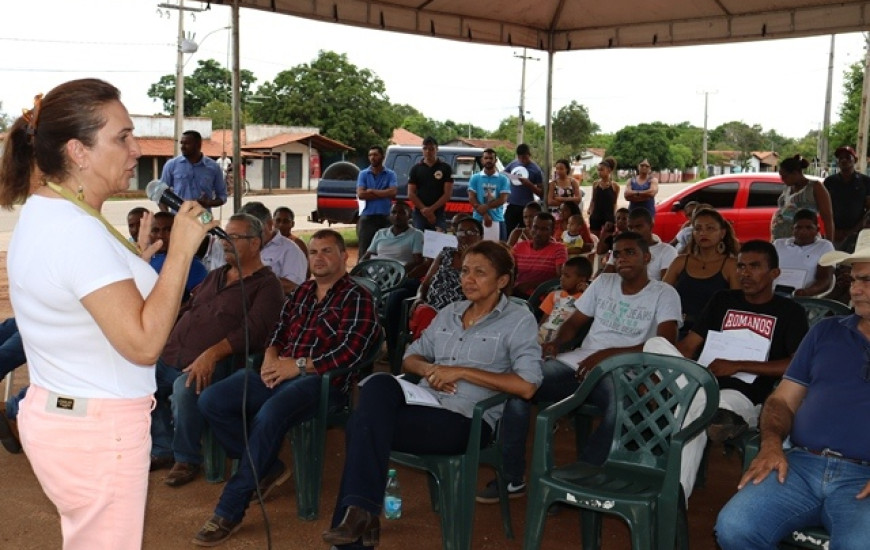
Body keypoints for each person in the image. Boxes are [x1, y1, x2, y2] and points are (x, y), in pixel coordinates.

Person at [0, 78, 216, 549]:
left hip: (68, 419)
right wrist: (180, 253)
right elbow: (142, 346)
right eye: (122, 137)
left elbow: (82, 297)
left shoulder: (51, 212)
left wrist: (133, 267)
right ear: (78, 151)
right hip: (98, 436)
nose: (137, 150)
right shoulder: (78, 232)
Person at [322, 240, 543, 549]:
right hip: (423, 402)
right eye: (465, 271)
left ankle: (360, 522)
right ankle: (362, 513)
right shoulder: (449, 313)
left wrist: (462, 372)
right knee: (375, 386)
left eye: (480, 272)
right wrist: (430, 372)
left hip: (466, 420)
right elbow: (411, 358)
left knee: (363, 425)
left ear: (502, 280)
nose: (468, 279)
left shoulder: (519, 320)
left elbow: (528, 385)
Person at [192, 229, 379, 546]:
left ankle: (229, 509)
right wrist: (270, 355)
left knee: (270, 413)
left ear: (345, 256)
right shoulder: (303, 292)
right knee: (212, 400)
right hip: (279, 371)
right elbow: (278, 331)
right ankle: (267, 465)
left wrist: (299, 365)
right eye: (313, 252)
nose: (318, 258)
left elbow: (352, 352)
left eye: (327, 251)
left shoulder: (357, 297)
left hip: (322, 384)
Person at [478, 232, 681, 502]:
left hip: (628, 369)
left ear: (647, 257)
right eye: (617, 253)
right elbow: (574, 323)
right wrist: (555, 342)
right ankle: (511, 477)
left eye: (630, 252)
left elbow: (664, 341)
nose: (621, 258)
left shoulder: (664, 293)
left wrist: (610, 354)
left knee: (619, 410)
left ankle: (580, 481)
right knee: (520, 388)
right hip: (581, 362)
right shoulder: (603, 282)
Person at [715, 233, 870, 549]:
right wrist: (771, 445)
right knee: (734, 527)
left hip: (862, 480)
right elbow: (782, 400)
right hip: (799, 465)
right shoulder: (826, 331)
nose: (854, 289)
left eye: (866, 280)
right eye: (853, 279)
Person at [149, 213, 285, 487]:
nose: (225, 242)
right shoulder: (216, 276)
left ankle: (187, 457)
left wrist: (211, 354)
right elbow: (189, 308)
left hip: (219, 363)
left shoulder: (267, 286)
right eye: (224, 236)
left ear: (256, 243)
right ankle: (162, 447)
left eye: (234, 237)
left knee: (184, 388)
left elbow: (255, 331)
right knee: (137, 381)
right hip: (172, 353)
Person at [675, 240, 809, 498]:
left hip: (745, 393)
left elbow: (797, 364)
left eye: (755, 266)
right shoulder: (722, 299)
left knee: (695, 415)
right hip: (703, 381)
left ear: (774, 274)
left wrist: (738, 366)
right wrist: (667, 362)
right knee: (655, 347)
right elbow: (690, 345)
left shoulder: (790, 311)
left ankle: (675, 494)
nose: (745, 273)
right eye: (741, 266)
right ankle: (702, 412)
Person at [663, 207, 741, 337]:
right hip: (678, 327)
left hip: (714, 331)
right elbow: (662, 294)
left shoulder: (731, 265)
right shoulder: (680, 262)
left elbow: (736, 307)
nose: (703, 233)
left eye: (710, 228)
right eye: (698, 229)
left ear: (722, 233)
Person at [410, 216, 484, 339]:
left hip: (461, 312)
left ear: (480, 237)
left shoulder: (484, 260)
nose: (465, 235)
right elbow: (425, 283)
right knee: (424, 313)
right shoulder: (446, 252)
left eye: (471, 232)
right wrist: (419, 297)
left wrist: (468, 257)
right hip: (432, 307)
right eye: (460, 232)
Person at [239, 201, 308, 294]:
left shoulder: (290, 251)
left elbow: (293, 286)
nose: (251, 236)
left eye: (254, 230)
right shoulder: (242, 246)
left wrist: (255, 280)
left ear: (269, 224)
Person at [770, 154, 834, 241]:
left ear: (795, 173)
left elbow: (828, 219)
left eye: (784, 176)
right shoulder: (788, 187)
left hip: (804, 240)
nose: (782, 179)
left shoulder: (815, 187)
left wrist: (829, 244)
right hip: (781, 240)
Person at [148, 211, 208, 302]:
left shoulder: (189, 264)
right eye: (155, 230)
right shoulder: (144, 259)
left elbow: (205, 301)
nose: (160, 235)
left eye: (168, 230)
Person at [603, 208, 677, 281]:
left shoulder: (667, 251)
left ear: (651, 225)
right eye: (630, 227)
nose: (634, 231)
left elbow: (666, 285)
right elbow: (605, 277)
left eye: (638, 227)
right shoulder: (621, 248)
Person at [773, 208, 835, 296]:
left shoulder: (824, 246)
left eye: (809, 228)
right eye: (798, 227)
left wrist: (807, 292)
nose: (803, 231)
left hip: (804, 297)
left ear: (817, 230)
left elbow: (825, 279)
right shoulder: (779, 244)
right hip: (773, 293)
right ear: (792, 229)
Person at [160, 130, 227, 211]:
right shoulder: (171, 165)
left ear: (198, 145)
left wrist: (209, 203)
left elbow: (222, 196)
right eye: (182, 143)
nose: (182, 147)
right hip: (179, 218)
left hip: (203, 219)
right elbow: (160, 194)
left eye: (187, 144)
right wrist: (168, 217)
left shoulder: (213, 167)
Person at [511, 212, 569, 299]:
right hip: (517, 294)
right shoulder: (520, 246)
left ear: (552, 232)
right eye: (535, 227)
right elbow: (508, 268)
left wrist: (532, 284)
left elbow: (560, 278)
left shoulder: (559, 249)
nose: (538, 232)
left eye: (544, 229)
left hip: (543, 298)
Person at [537, 257, 592, 345]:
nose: (562, 278)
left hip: (564, 342)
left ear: (582, 280)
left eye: (567, 276)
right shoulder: (554, 295)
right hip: (542, 336)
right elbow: (543, 322)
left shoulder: (585, 298)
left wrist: (588, 293)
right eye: (562, 274)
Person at [824, 145, 870, 248]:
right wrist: (833, 230)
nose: (844, 160)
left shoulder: (865, 181)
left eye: (848, 157)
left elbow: (868, 210)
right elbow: (823, 208)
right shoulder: (830, 182)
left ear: (855, 160)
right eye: (840, 158)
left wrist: (852, 231)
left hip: (857, 234)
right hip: (833, 234)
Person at [356, 145, 398, 255]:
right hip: (368, 217)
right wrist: (384, 193)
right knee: (364, 250)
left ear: (382, 157)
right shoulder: (363, 174)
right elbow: (361, 194)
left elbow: (393, 192)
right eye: (370, 155)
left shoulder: (390, 174)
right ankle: (360, 272)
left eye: (375, 155)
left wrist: (371, 191)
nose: (372, 157)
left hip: (386, 217)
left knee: (386, 249)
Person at [407, 136, 453, 231]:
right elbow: (411, 193)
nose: (428, 151)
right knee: (419, 240)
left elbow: (447, 194)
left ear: (437, 149)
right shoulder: (415, 169)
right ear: (422, 150)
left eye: (431, 149)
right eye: (425, 148)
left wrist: (431, 210)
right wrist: (425, 210)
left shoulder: (445, 168)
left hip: (439, 212)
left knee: (439, 241)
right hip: (420, 212)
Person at [467, 147, 510, 240]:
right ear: (482, 160)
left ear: (496, 160)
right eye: (486, 158)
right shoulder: (475, 178)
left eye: (491, 158)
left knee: (498, 250)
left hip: (497, 219)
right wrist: (485, 214)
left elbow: (503, 199)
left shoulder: (503, 179)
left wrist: (486, 207)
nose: (488, 160)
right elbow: (471, 198)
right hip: (478, 219)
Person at [503, 144, 545, 235]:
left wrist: (529, 184)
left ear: (529, 155)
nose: (523, 160)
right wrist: (511, 177)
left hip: (526, 207)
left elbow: (541, 193)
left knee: (526, 232)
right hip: (512, 204)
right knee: (507, 231)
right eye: (520, 158)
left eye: (525, 158)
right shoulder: (514, 164)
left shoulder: (536, 170)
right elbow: (503, 173)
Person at [587, 156, 620, 235]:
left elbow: (614, 202)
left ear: (608, 170)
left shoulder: (615, 186)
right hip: (596, 214)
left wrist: (613, 216)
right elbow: (593, 199)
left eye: (601, 170)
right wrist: (590, 211)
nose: (599, 172)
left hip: (608, 215)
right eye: (598, 170)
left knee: (608, 238)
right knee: (595, 237)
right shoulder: (595, 184)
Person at [547, 158, 582, 231]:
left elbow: (578, 199)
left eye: (561, 169)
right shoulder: (553, 184)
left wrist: (561, 199)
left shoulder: (573, 182)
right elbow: (550, 201)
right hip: (557, 214)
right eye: (557, 169)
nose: (558, 171)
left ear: (567, 169)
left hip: (571, 214)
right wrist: (570, 201)